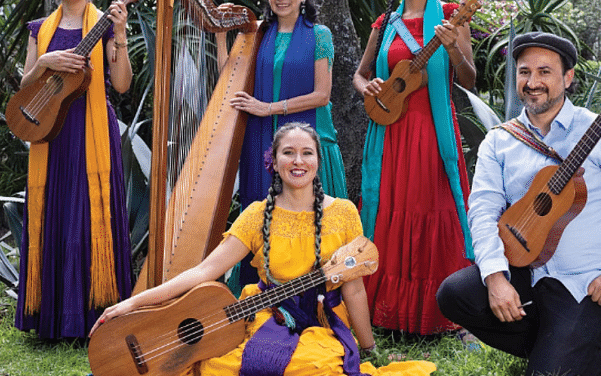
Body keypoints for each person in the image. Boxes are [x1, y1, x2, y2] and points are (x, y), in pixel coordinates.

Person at [91, 122, 436, 375]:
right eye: (289, 152)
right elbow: (204, 272)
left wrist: (368, 347)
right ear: (276, 161)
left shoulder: (343, 212)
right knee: (216, 366)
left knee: (317, 367)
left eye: (306, 153)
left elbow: (354, 287)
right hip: (264, 314)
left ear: (318, 160)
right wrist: (133, 302)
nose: (298, 161)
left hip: (320, 319)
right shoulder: (256, 215)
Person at [436, 32, 601, 376]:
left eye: (545, 72)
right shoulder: (500, 140)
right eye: (524, 72)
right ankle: (594, 342)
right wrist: (496, 278)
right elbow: (483, 210)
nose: (533, 82)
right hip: (526, 268)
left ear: (568, 78)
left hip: (587, 282)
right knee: (454, 295)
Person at [352, 0, 476, 335]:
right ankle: (385, 311)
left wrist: (453, 48)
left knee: (431, 209)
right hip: (390, 135)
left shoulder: (454, 16)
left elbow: (468, 78)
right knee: (389, 210)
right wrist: (370, 86)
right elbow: (359, 76)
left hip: (432, 135)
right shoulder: (384, 22)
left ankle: (442, 311)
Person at [14, 0, 133, 339]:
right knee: (56, 211)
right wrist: (46, 61)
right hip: (51, 130)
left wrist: (122, 34)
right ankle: (53, 317)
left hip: (92, 129)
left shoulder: (105, 26)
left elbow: (124, 84)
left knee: (87, 211)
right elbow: (25, 85)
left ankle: (94, 315)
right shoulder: (40, 29)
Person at [215, 0, 348, 290]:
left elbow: (322, 95)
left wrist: (268, 108)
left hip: (307, 140)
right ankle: (257, 295)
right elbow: (229, 83)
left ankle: (313, 298)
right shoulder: (257, 34)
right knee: (260, 216)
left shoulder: (320, 35)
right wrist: (221, 37)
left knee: (310, 221)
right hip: (261, 140)